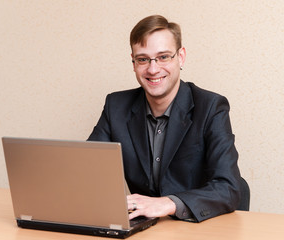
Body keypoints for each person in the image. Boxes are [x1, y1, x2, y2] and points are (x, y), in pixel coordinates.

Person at [88, 15, 241, 222]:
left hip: (197, 228)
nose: (153, 69)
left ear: (181, 57)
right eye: (143, 59)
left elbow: (228, 188)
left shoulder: (211, 107)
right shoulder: (116, 106)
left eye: (163, 57)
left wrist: (168, 203)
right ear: (133, 62)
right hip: (145, 228)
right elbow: (88, 172)